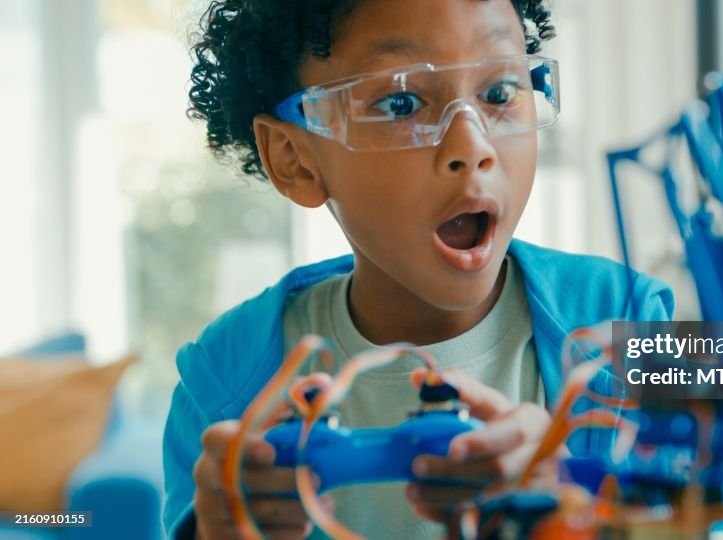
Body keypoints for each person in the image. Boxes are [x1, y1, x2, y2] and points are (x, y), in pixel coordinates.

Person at [162, 0, 673, 539]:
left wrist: (576, 513)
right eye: (401, 102)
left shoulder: (633, 316)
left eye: (499, 93)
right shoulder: (221, 381)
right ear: (295, 157)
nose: (471, 147)